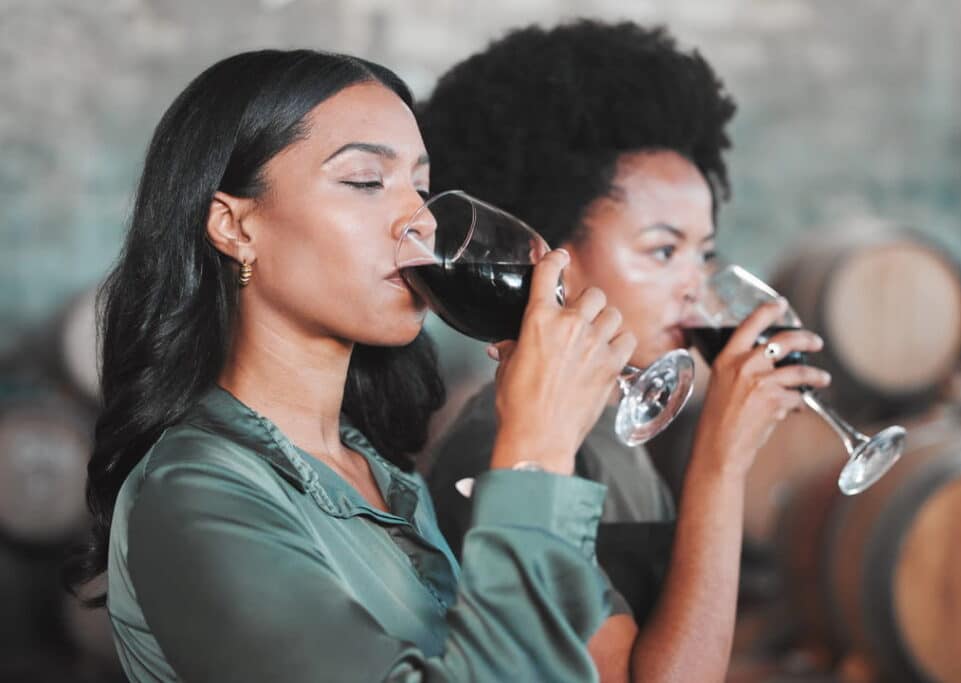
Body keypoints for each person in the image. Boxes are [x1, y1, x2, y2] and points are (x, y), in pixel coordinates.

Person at [65, 48, 641, 682]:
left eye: (420, 190)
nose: (417, 223)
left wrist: (539, 435)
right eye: (366, 181)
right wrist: (537, 450)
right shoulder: (192, 493)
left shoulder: (385, 477)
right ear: (233, 226)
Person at [421, 21, 830, 682]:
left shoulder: (616, 430)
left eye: (705, 254)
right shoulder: (507, 448)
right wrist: (721, 465)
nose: (697, 287)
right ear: (546, 255)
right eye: (663, 251)